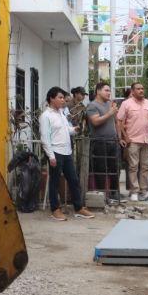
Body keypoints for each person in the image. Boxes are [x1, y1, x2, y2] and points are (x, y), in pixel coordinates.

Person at [40, 87, 93, 221]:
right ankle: (55, 210)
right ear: (51, 99)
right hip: (55, 152)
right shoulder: (46, 116)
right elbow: (45, 138)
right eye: (60, 97)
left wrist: (74, 129)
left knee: (73, 180)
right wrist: (51, 156)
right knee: (55, 181)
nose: (63, 100)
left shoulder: (62, 113)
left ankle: (78, 208)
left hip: (67, 152)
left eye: (63, 98)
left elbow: (65, 130)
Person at [115, 82, 148, 202]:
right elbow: (119, 120)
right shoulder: (126, 103)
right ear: (132, 91)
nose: (141, 90)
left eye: (142, 88)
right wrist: (123, 137)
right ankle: (134, 191)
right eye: (138, 89)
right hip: (132, 140)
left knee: (145, 167)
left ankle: (144, 191)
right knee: (133, 167)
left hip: (146, 139)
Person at [84, 82, 120, 204]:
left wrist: (119, 137)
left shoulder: (110, 104)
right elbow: (95, 122)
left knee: (115, 168)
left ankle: (114, 193)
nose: (109, 93)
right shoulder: (92, 105)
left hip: (112, 141)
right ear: (98, 91)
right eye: (106, 90)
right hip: (99, 142)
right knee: (101, 169)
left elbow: (116, 122)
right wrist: (110, 113)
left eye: (109, 90)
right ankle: (101, 195)